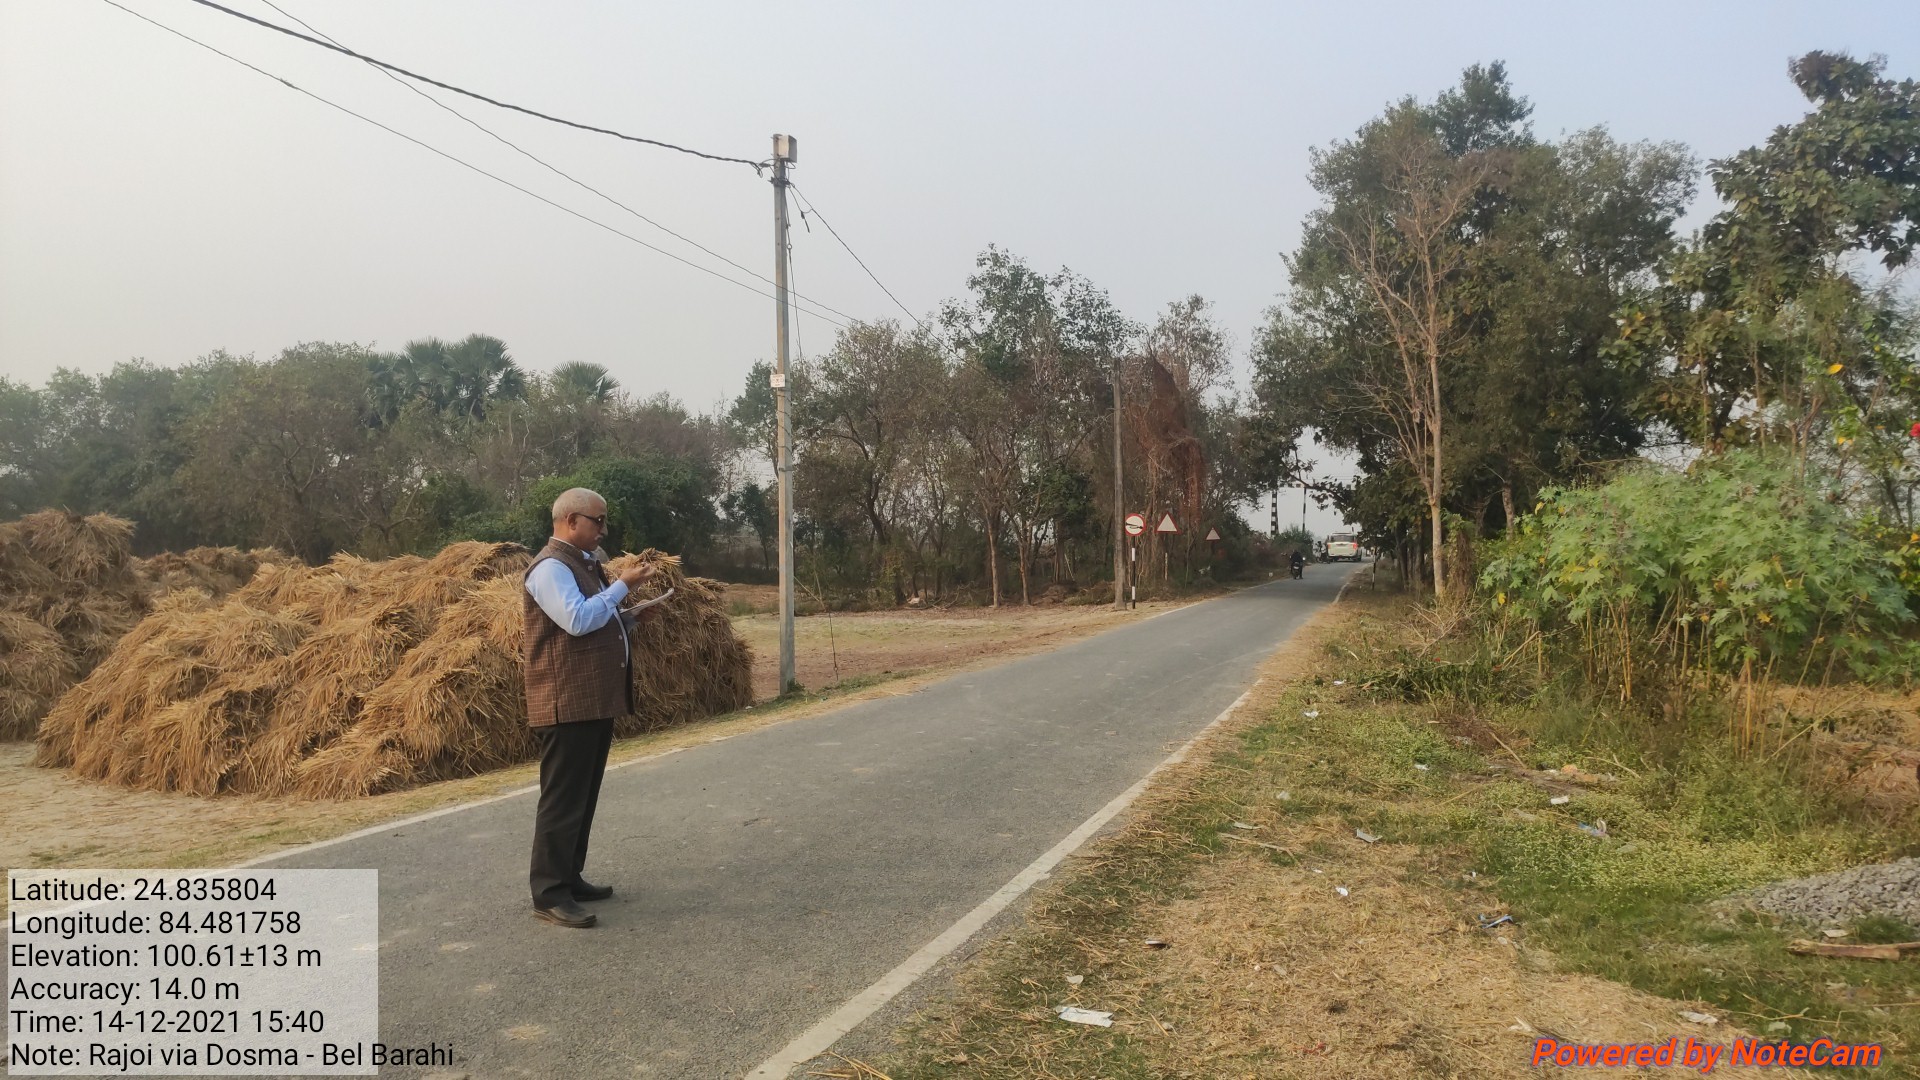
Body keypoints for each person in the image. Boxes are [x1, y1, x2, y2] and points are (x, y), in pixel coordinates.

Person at [521, 487, 656, 929]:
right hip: (566, 702)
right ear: (571, 521)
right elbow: (577, 620)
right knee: (562, 799)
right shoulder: (551, 567)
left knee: (583, 796)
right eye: (598, 520)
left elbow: (592, 619)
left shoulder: (582, 563)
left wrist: (629, 617)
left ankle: (569, 877)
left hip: (590, 701)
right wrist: (623, 587)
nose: (604, 529)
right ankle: (549, 893)